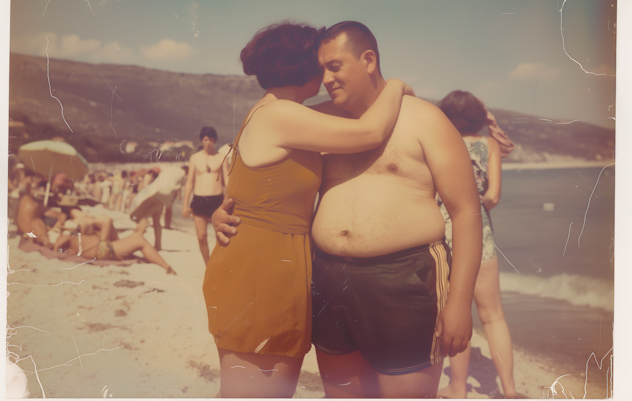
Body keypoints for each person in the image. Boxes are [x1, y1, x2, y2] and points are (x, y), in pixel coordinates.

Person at [213, 21, 483, 398]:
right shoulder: (312, 122)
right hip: (326, 282)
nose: (324, 78)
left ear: (368, 59)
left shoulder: (424, 119)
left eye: (334, 66)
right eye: (320, 68)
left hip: (403, 281)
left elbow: (467, 212)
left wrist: (459, 301)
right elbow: (253, 169)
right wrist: (224, 210)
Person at [202, 21, 410, 398]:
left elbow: (243, 182)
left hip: (269, 264)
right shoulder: (281, 116)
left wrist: (222, 212)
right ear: (302, 66)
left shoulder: (272, 111)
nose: (327, 73)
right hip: (262, 271)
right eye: (321, 63)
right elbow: (370, 133)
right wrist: (395, 85)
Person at [435, 91, 523, 399]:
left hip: (442, 232)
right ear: (478, 116)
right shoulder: (490, 145)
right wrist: (491, 121)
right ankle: (510, 391)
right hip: (480, 233)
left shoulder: (440, 142)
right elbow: (493, 197)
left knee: (455, 312)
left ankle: (457, 389)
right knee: (494, 315)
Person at [182, 127, 229, 265]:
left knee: (219, 236)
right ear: (202, 140)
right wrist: (185, 205)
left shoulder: (221, 158)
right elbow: (190, 182)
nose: (208, 143)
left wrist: (228, 198)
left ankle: (218, 265)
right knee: (201, 236)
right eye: (206, 139)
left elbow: (227, 180)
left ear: (215, 141)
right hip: (199, 199)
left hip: (217, 200)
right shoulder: (194, 158)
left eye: (211, 140)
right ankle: (208, 265)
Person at [129, 164, 188, 251]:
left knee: (145, 215)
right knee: (156, 220)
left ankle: (135, 237)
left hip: (156, 190)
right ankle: (158, 245)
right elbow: (179, 187)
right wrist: (171, 200)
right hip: (166, 195)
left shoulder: (169, 168)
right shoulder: (184, 175)